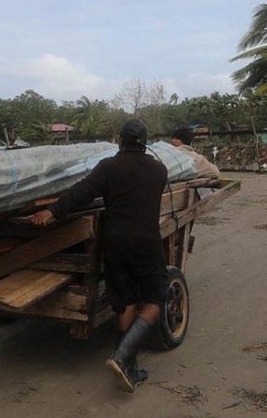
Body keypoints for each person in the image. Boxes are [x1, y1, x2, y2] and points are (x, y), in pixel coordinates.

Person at [30, 119, 168, 393]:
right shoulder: (159, 170)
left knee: (126, 301)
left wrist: (52, 211)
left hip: (115, 244)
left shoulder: (109, 168)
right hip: (146, 243)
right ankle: (122, 357)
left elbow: (81, 193)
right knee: (154, 300)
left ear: (120, 141)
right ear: (145, 142)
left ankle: (128, 366)